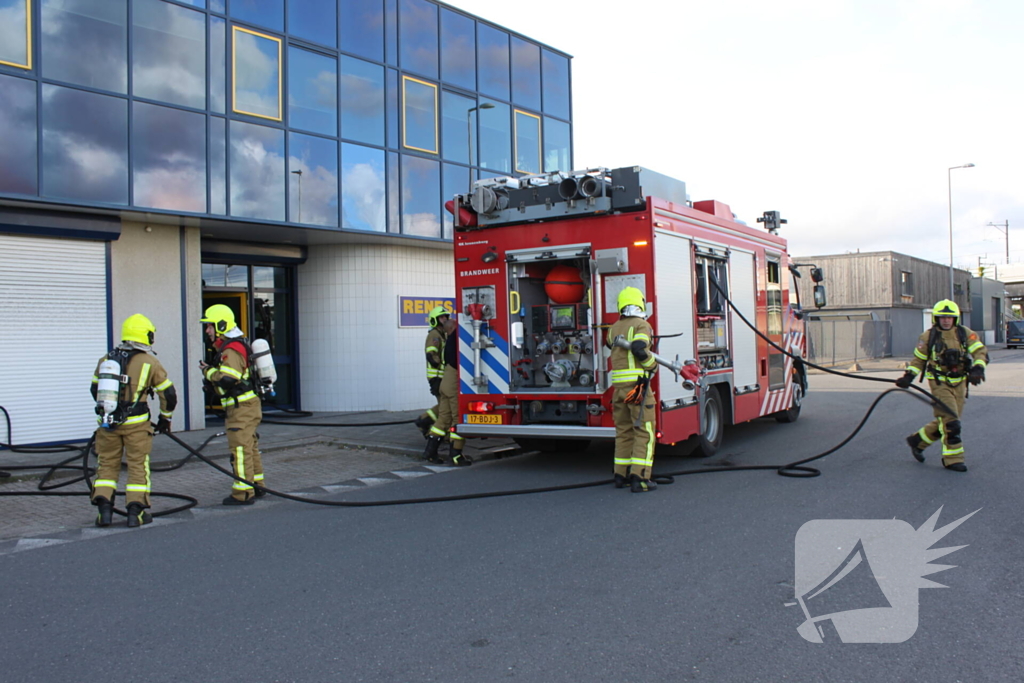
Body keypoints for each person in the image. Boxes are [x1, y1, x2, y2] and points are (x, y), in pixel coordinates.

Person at [90, 314, 176, 528]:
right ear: (145, 334)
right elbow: (169, 394)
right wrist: (165, 418)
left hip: (109, 423)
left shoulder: (106, 359)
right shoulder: (150, 362)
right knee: (138, 465)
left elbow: (94, 389)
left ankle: (104, 513)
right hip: (137, 424)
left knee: (107, 465)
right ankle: (135, 514)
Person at [895, 299, 987, 472]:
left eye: (949, 317)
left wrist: (978, 368)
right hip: (939, 383)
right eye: (942, 317)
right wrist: (909, 376)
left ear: (955, 319)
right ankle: (953, 459)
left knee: (947, 420)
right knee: (952, 422)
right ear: (936, 319)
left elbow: (980, 352)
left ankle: (918, 441)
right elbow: (919, 360)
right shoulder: (927, 337)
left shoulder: (965, 334)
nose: (946, 320)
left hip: (960, 383)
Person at [200, 304, 266, 503]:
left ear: (221, 325)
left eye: (210, 326)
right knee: (249, 447)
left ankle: (243, 493)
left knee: (240, 449)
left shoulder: (232, 349)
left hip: (242, 409)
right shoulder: (232, 347)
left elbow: (228, 379)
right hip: (245, 406)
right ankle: (257, 486)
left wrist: (207, 372)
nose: (207, 330)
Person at [606, 287, 659, 492]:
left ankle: (621, 475)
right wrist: (651, 365)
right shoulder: (641, 325)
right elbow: (639, 348)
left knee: (624, 431)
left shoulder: (613, 328)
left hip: (618, 390)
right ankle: (641, 478)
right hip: (637, 388)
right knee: (644, 432)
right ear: (640, 304)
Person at [423, 317, 471, 466]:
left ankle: (430, 452)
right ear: (453, 328)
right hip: (451, 385)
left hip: (445, 384)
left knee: (443, 418)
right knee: (457, 419)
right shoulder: (456, 341)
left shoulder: (448, 342)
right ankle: (456, 455)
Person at [414, 306, 450, 437]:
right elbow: (431, 354)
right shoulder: (434, 335)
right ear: (435, 320)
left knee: (444, 406)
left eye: (446, 317)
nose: (444, 319)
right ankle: (431, 430)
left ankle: (424, 420)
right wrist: (440, 365)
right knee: (445, 408)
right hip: (437, 377)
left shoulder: (443, 334)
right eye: (441, 317)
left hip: (442, 376)